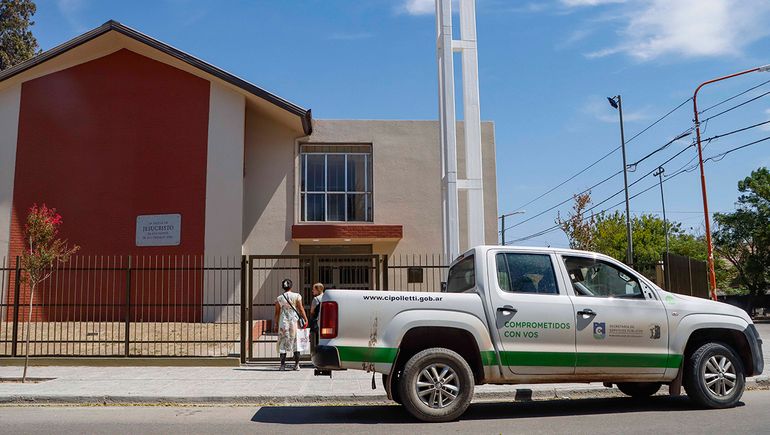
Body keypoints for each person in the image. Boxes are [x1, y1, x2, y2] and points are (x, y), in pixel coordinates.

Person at [274, 278, 308, 371]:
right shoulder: (297, 296)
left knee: (283, 342)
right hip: (294, 321)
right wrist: (305, 318)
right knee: (296, 342)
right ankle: (296, 365)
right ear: (291, 286)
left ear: (283, 287)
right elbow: (300, 308)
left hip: (283, 322)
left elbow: (277, 312)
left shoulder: (279, 298)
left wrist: (276, 323)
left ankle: (282, 365)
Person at [309, 283, 324, 352]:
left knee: (316, 339)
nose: (312, 291)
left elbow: (312, 311)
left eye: (314, 289)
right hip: (325, 320)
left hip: (318, 321)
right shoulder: (326, 297)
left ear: (318, 290)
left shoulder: (316, 299)